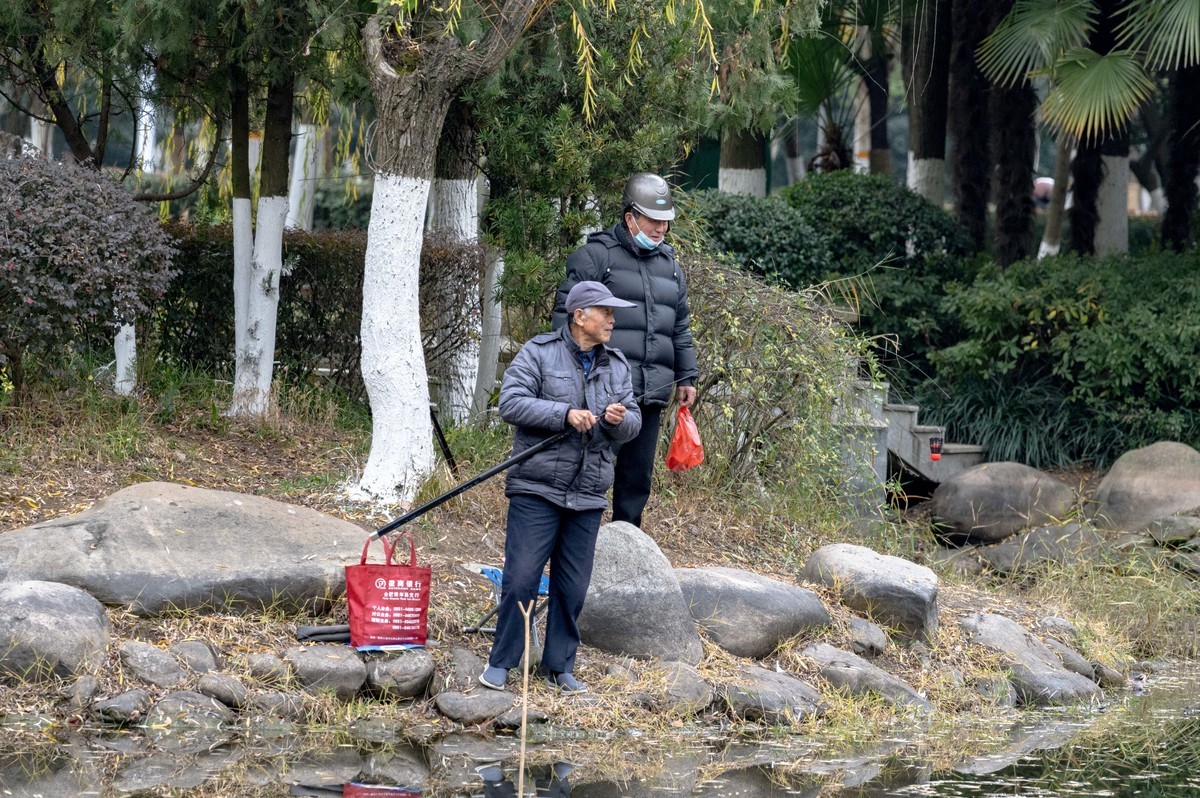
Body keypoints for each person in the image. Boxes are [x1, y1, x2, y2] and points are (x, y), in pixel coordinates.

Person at [479, 281, 642, 695]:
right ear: (580, 316)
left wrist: (618, 420)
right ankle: (501, 662)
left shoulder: (618, 365)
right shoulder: (538, 352)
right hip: (537, 488)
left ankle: (559, 667)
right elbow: (510, 403)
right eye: (606, 312)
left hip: (588, 493)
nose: (612, 320)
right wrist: (565, 413)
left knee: (572, 587)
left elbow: (634, 423)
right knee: (521, 579)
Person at [552, 173, 699, 530]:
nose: (662, 228)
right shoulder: (595, 256)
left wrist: (687, 375)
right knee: (588, 470)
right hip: (603, 390)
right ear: (630, 217)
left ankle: (626, 544)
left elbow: (679, 325)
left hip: (650, 391)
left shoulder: (670, 266)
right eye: (653, 220)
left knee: (636, 479)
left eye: (665, 221)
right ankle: (572, 540)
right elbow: (565, 318)